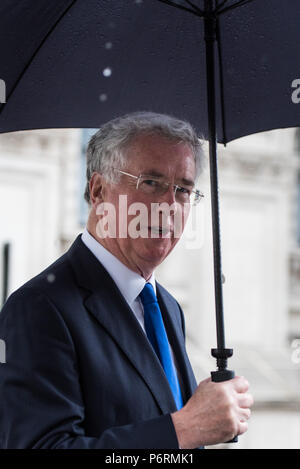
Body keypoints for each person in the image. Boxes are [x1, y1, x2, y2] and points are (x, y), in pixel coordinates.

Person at [0, 112, 253, 449]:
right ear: (99, 190)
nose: (169, 207)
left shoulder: (166, 306)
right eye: (151, 183)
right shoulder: (38, 308)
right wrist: (183, 429)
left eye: (183, 190)